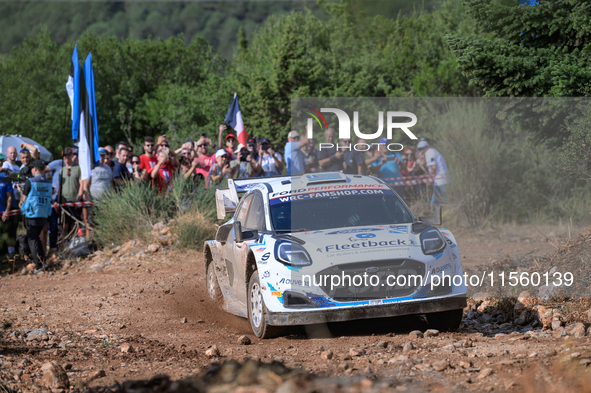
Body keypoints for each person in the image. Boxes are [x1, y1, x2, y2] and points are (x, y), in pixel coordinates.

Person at [19, 160, 52, 273]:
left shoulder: (30, 181)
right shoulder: (48, 182)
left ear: (35, 169)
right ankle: (43, 262)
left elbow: (24, 199)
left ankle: (39, 266)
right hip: (43, 215)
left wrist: (20, 191)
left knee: (32, 240)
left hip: (32, 215)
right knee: (37, 239)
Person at [58, 147, 82, 241]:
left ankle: (75, 243)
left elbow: (81, 184)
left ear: (72, 156)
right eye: (65, 156)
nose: (66, 157)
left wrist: (79, 199)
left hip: (75, 201)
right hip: (64, 202)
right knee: (65, 225)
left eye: (68, 155)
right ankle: (65, 245)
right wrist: (58, 201)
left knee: (74, 225)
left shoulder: (78, 168)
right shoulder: (61, 171)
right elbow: (60, 187)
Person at [417, 139, 449, 205]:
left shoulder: (429, 152)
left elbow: (433, 167)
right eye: (420, 149)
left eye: (423, 148)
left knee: (440, 204)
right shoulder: (432, 152)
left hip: (441, 182)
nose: (422, 151)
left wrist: (430, 179)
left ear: (428, 147)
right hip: (441, 181)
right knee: (435, 203)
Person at [1, 146, 20, 256]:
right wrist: (7, 170)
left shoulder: (17, 167)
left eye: (14, 153)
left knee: (14, 227)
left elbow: (18, 176)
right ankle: (6, 251)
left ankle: (12, 250)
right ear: (7, 154)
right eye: (11, 153)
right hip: (7, 201)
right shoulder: (5, 165)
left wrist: (13, 174)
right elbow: (10, 176)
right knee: (6, 229)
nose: (13, 155)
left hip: (17, 200)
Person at [0, 154, 15, 257]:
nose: (0, 163)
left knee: (5, 235)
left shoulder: (5, 176)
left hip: (3, 212)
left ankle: (7, 256)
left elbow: (9, 196)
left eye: (1, 161)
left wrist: (7, 211)